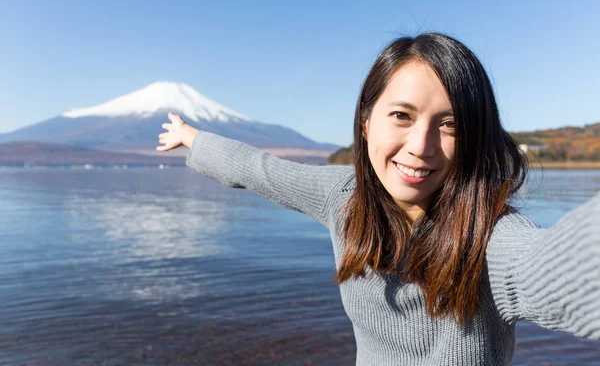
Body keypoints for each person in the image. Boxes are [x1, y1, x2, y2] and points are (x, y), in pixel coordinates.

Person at [156, 33, 600, 365]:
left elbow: (564, 268)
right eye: (402, 116)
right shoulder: (344, 197)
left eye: (451, 125)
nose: (421, 146)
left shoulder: (494, 242)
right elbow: (257, 169)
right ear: (367, 122)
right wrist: (191, 138)